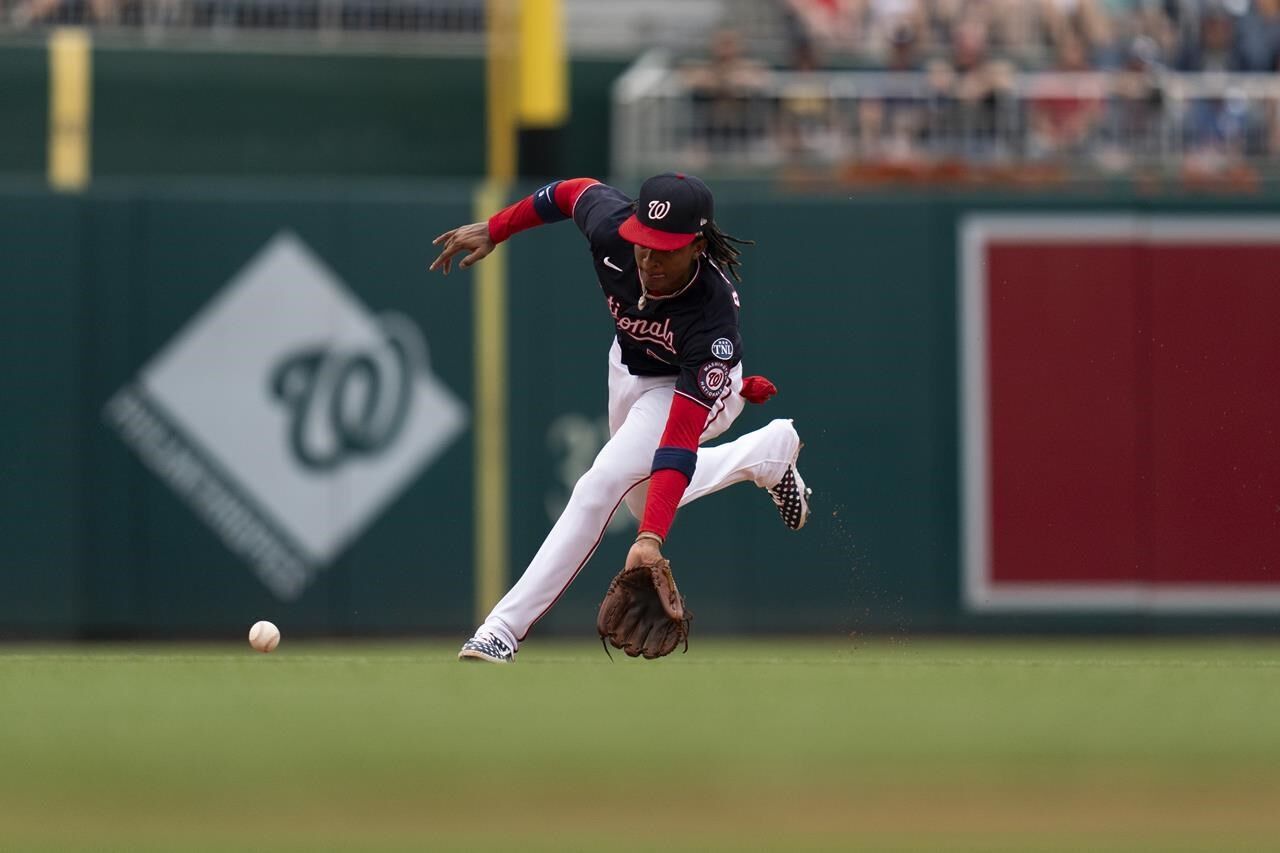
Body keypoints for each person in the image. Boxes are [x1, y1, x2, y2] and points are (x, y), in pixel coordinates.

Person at [429, 173, 813, 663]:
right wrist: (497, 227)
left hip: (692, 389)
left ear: (696, 245)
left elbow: (677, 442)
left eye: (664, 249)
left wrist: (651, 541)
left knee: (601, 483)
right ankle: (767, 453)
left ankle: (501, 628)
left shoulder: (713, 316)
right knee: (638, 499)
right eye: (643, 244)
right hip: (630, 368)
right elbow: (571, 192)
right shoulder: (612, 228)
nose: (649, 259)